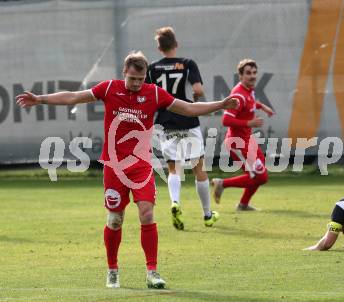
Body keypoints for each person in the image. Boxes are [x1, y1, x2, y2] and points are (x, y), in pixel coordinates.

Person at [15, 51, 238, 289]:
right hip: (114, 166)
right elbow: (73, 97)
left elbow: (189, 108)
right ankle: (112, 269)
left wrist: (221, 104)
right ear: (124, 73)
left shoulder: (153, 93)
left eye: (140, 79)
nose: (136, 84)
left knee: (147, 215)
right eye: (132, 79)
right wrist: (40, 99)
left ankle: (152, 271)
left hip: (141, 166)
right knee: (115, 220)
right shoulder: (109, 89)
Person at [146, 26, 219, 230]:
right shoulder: (187, 63)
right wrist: (195, 100)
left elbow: (149, 95)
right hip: (187, 116)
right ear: (175, 45)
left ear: (159, 48)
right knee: (198, 166)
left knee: (174, 167)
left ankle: (175, 202)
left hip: (166, 119)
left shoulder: (152, 68)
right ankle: (207, 214)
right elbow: (198, 90)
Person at [211, 59, 274, 211]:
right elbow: (226, 120)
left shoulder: (248, 90)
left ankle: (243, 204)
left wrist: (262, 106)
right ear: (240, 76)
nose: (252, 76)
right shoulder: (238, 95)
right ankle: (222, 184)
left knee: (259, 172)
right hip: (237, 143)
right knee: (260, 177)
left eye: (254, 73)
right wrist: (249, 124)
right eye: (248, 73)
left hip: (247, 140)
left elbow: (250, 104)